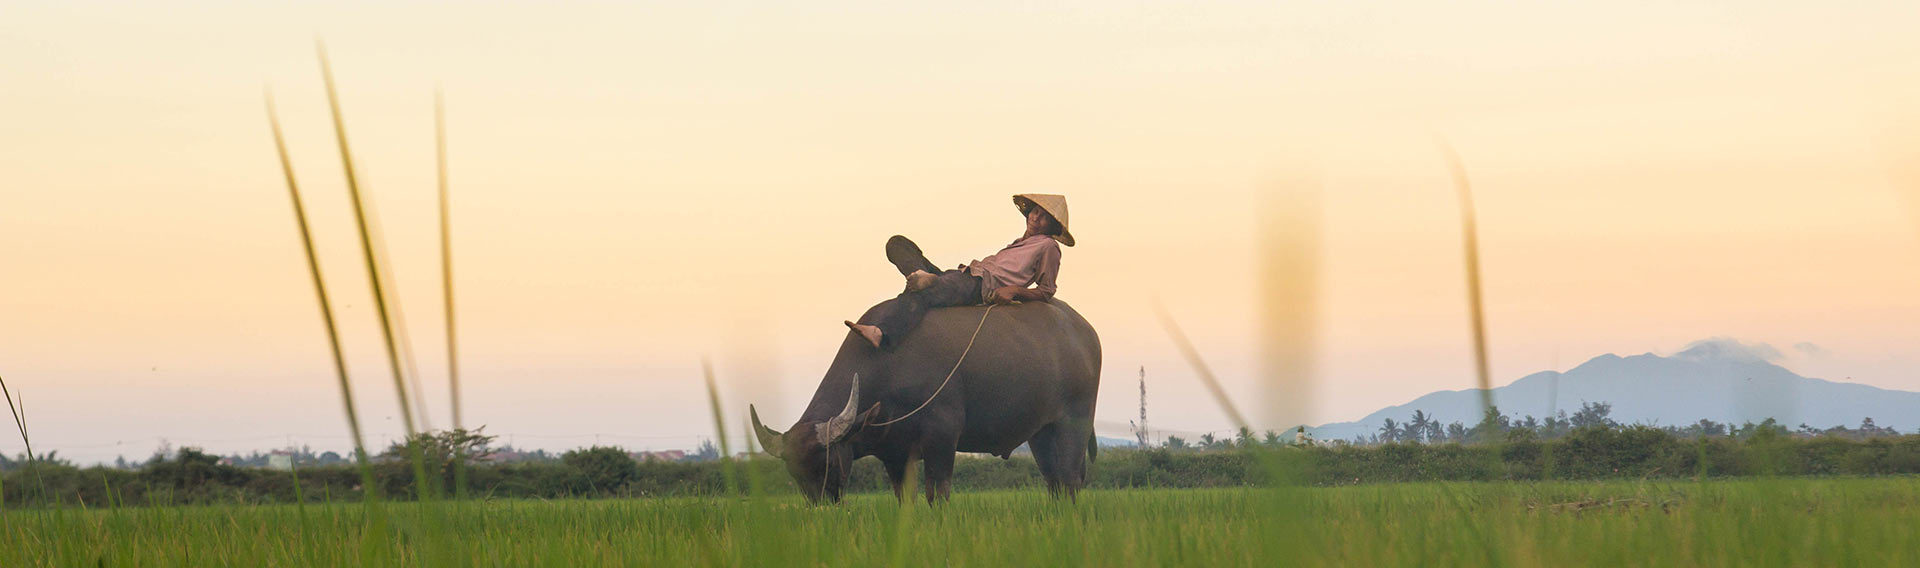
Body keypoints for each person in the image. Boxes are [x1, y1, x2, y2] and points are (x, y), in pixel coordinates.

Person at [844, 194, 1074, 349]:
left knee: (921, 295)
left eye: (1044, 217)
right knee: (897, 243)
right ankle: (922, 276)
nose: (1036, 218)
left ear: (1052, 226)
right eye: (1035, 212)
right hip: (962, 275)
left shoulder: (1048, 246)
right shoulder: (1020, 242)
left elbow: (1046, 290)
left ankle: (883, 334)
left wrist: (1013, 290)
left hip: (980, 284)